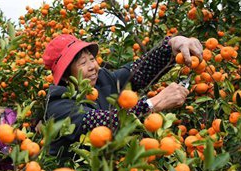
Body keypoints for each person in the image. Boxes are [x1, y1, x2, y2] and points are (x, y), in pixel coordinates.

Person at [42, 34, 203, 158]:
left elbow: (138, 71)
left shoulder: (102, 79)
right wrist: (153, 104)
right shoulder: (58, 104)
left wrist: (171, 45)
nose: (93, 67)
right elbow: (99, 122)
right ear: (65, 76)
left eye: (92, 59)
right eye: (83, 63)